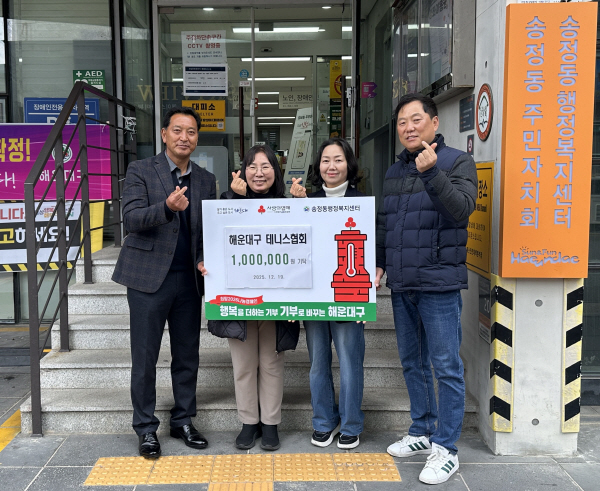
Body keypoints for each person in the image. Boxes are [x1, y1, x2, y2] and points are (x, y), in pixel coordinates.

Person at [375, 94, 477, 484]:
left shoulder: (457, 162)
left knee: (446, 366)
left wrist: (432, 173)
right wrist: (380, 262)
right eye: (402, 122)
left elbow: (461, 209)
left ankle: (446, 448)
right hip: (403, 283)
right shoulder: (394, 171)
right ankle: (421, 429)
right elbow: (384, 223)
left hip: (439, 283)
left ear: (434, 122)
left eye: (416, 120)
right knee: (411, 362)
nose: (408, 128)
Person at [112, 107, 216, 459]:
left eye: (191, 131)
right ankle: (145, 427)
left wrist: (203, 257)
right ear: (164, 134)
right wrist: (167, 207)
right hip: (147, 278)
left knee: (187, 355)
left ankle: (182, 420)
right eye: (177, 130)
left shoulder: (206, 179)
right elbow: (131, 219)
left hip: (188, 279)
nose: (184, 137)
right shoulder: (141, 170)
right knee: (145, 357)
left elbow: (206, 230)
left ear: (197, 138)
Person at [207, 145, 300, 451]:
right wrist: (236, 199)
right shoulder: (226, 203)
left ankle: (270, 423)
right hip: (239, 302)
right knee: (244, 365)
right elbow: (212, 240)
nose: (259, 173)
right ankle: (249, 421)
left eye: (266, 167)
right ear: (242, 171)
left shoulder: (289, 205)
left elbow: (305, 253)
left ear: (277, 172)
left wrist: (304, 205)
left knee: (272, 363)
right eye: (252, 167)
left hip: (276, 302)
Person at [290, 138, 365, 449]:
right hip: (314, 295)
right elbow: (295, 250)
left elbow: (371, 247)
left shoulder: (363, 202)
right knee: (318, 362)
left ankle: (351, 423)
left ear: (349, 164)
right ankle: (323, 421)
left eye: (338, 160)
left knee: (349, 362)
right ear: (317, 166)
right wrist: (298, 205)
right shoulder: (307, 199)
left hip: (349, 292)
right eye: (325, 160)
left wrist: (367, 294)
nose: (331, 166)